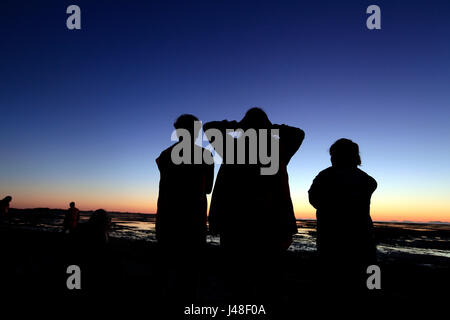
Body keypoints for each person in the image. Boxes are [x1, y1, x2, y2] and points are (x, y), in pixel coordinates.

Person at [203, 108, 304, 303]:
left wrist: (236, 125)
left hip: (235, 223)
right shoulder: (278, 148)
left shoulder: (231, 148)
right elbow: (298, 133)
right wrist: (269, 127)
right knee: (268, 279)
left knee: (238, 279)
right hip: (272, 224)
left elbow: (210, 127)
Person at [155, 114, 215, 301]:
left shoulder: (164, 156)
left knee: (165, 268)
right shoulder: (205, 156)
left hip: (167, 218)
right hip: (193, 220)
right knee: (189, 272)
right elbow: (208, 188)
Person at [308, 138, 378, 293]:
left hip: (332, 235)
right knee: (366, 275)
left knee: (332, 279)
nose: (331, 158)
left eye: (333, 155)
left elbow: (312, 197)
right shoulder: (367, 179)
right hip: (361, 234)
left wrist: (327, 209)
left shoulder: (325, 176)